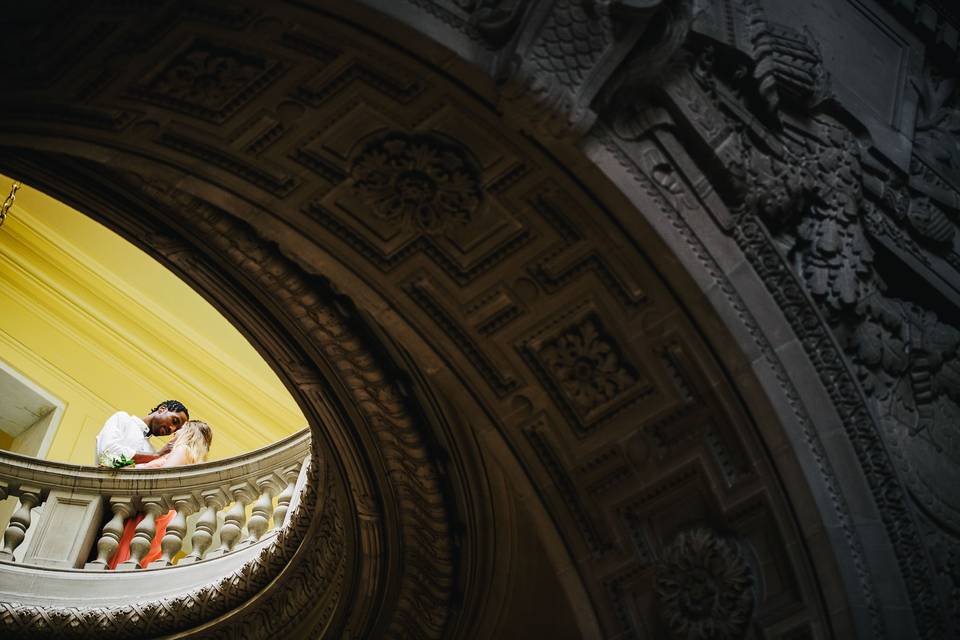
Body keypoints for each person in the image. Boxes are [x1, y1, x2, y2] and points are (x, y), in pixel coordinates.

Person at [107, 420, 213, 570]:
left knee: (129, 554)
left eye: (179, 429)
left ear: (189, 432)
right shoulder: (189, 458)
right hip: (160, 512)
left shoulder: (182, 450)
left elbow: (160, 480)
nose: (174, 432)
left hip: (153, 510)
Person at [95, 400, 189, 468]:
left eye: (176, 429)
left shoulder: (151, 451)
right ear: (162, 409)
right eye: (174, 421)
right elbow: (107, 454)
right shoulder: (123, 418)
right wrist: (156, 455)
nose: (172, 429)